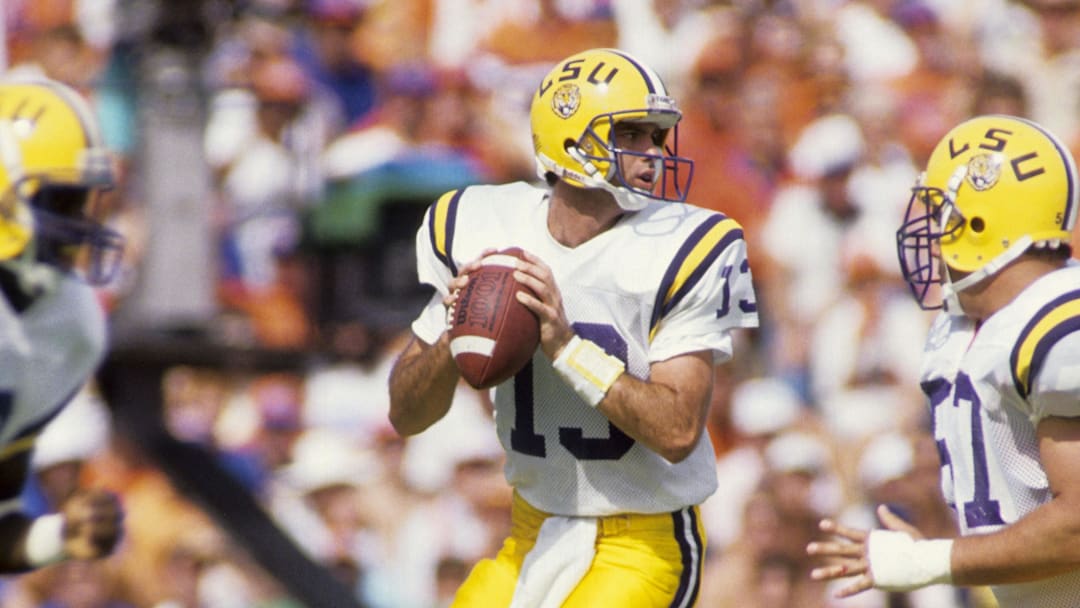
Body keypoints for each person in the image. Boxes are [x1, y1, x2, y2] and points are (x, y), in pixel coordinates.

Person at [387, 47, 758, 607]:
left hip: (644, 538)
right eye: (632, 134)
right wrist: (453, 334)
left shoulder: (684, 245)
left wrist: (566, 347)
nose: (652, 153)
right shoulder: (481, 226)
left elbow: (678, 432)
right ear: (572, 138)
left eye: (657, 137)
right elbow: (406, 414)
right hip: (532, 529)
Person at [805, 113, 1080, 607]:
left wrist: (929, 560)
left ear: (980, 220)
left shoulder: (1057, 325)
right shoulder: (968, 325)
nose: (930, 230)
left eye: (942, 212)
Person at [0, 77, 124, 572]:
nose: (79, 225)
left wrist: (58, 534)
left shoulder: (71, 328)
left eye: (81, 202)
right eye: (61, 201)